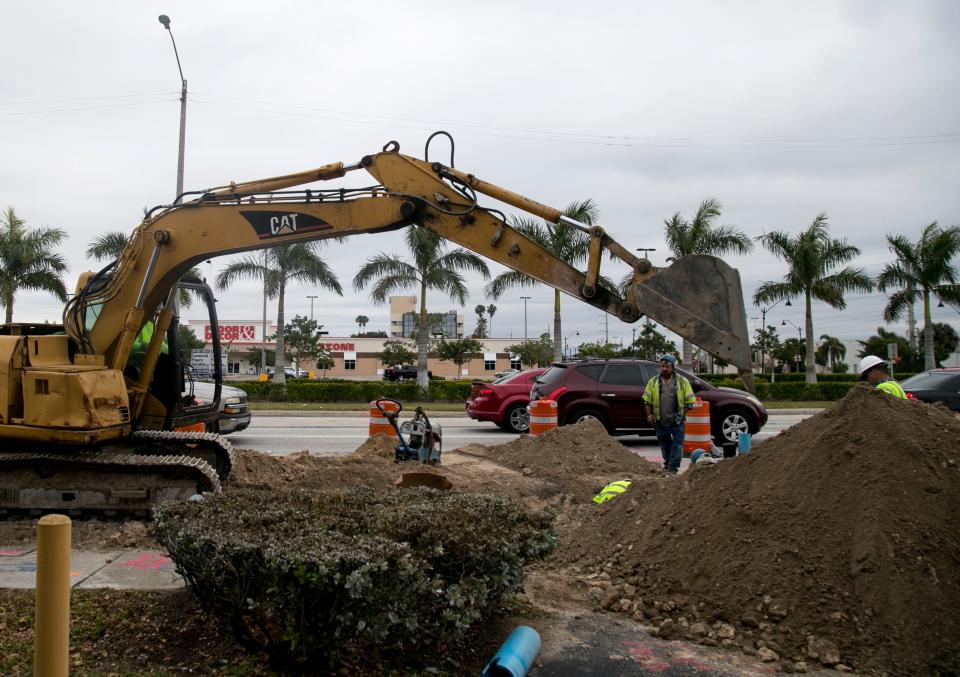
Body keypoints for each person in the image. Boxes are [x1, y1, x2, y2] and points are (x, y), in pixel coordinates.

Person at [643, 354, 696, 474]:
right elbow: (647, 400)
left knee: (677, 445)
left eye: (667, 366)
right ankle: (667, 464)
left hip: (677, 420)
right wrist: (649, 415)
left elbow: (690, 401)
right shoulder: (653, 382)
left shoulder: (682, 382)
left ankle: (673, 468)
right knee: (665, 444)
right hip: (660, 419)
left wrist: (683, 414)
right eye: (662, 366)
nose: (664, 369)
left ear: (673, 367)